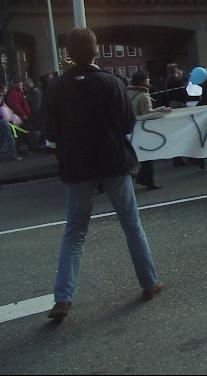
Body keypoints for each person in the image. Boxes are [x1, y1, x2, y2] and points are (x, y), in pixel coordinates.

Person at [45, 28, 162, 321]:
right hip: (113, 162)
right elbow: (126, 124)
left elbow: (50, 134)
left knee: (74, 232)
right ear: (96, 50)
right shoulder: (112, 83)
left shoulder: (57, 88)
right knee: (131, 224)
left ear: (68, 54)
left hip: (78, 167)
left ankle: (63, 298)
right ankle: (149, 282)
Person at [128, 71, 172, 190]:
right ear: (143, 81)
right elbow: (147, 113)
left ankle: (143, 178)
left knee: (141, 155)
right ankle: (149, 181)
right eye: (147, 78)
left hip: (132, 128)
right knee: (148, 156)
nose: (149, 80)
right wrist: (162, 110)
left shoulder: (128, 92)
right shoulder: (143, 95)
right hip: (144, 129)